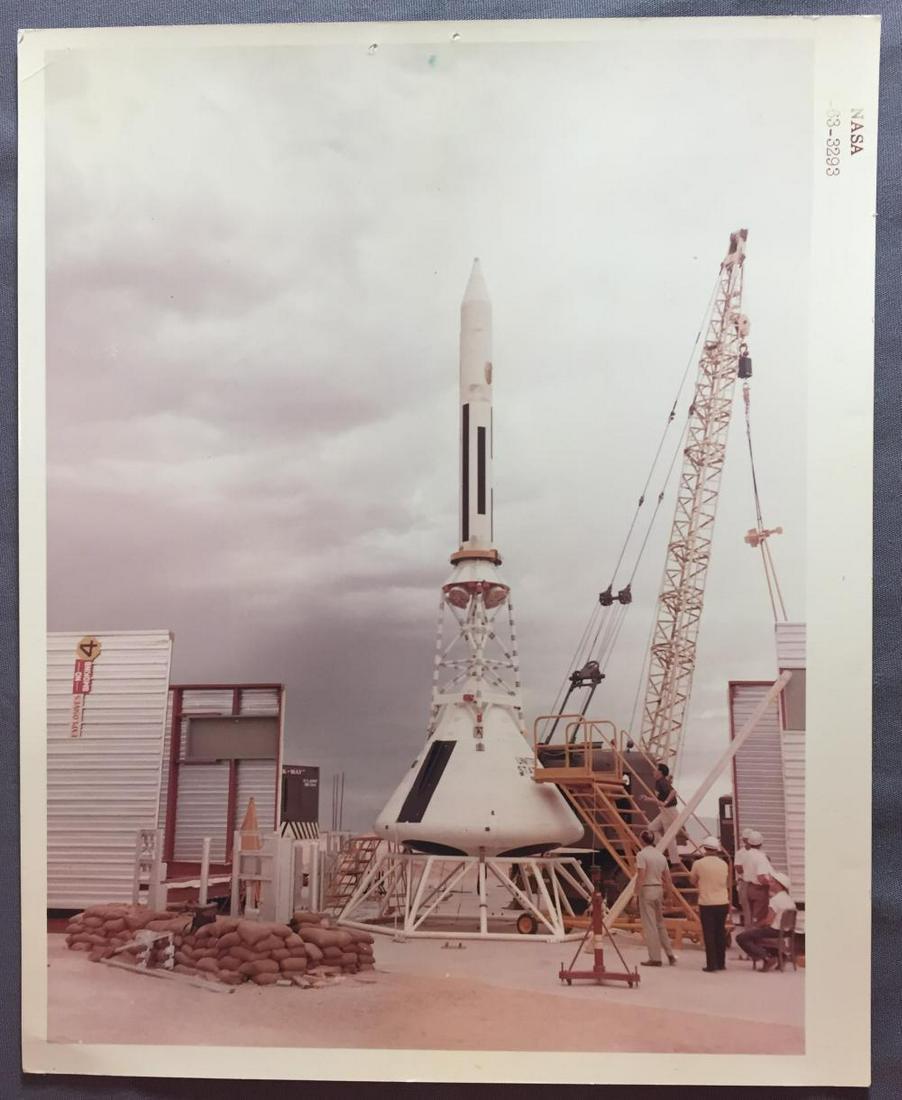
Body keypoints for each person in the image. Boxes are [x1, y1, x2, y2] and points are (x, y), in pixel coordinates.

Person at [735, 872, 796, 971]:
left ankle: (767, 958)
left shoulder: (775, 900)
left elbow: (768, 921)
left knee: (741, 937)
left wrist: (755, 925)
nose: (770, 884)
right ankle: (781, 955)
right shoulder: (789, 899)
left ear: (779, 885)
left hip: (775, 930)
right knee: (753, 935)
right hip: (787, 930)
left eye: (772, 882)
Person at [635, 828, 677, 967]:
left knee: (650, 926)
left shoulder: (641, 855)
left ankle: (655, 958)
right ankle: (670, 954)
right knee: (660, 924)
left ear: (642, 840)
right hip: (658, 889)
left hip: (647, 889)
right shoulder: (661, 856)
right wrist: (669, 897)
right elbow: (668, 880)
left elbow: (641, 876)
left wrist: (635, 894)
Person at [689, 836, 731, 972]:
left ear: (704, 848)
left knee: (709, 934)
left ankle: (711, 965)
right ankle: (721, 963)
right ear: (717, 849)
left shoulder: (699, 864)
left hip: (707, 902)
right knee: (720, 932)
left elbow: (692, 880)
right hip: (722, 902)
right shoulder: (723, 863)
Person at [649, 763, 680, 865]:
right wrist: (648, 798)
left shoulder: (662, 782)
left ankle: (675, 861)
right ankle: (661, 846)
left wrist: (665, 802)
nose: (653, 771)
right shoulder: (659, 782)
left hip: (669, 810)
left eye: (655, 770)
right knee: (651, 827)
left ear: (660, 772)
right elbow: (659, 799)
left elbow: (673, 792)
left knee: (669, 836)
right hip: (664, 810)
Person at [743, 830, 773, 925]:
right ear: (761, 843)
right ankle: (757, 938)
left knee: (752, 917)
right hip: (760, 890)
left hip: (748, 888)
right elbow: (761, 877)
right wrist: (772, 884)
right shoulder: (761, 857)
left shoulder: (746, 855)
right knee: (760, 918)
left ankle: (750, 937)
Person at [733, 829, 754, 929]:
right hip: (745, 882)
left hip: (754, 883)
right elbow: (738, 869)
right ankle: (749, 930)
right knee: (747, 909)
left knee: (754, 909)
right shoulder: (740, 853)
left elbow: (740, 868)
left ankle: (752, 930)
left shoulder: (758, 853)